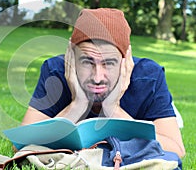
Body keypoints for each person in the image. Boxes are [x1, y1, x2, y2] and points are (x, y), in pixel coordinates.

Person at [21, 8, 186, 158]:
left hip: (142, 105)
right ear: (71, 56)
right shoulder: (55, 71)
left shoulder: (149, 77)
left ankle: (171, 112)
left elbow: (176, 149)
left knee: (167, 121)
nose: (97, 77)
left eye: (109, 63)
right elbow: (22, 145)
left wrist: (114, 110)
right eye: (87, 61)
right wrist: (77, 105)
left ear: (125, 60)